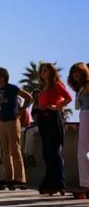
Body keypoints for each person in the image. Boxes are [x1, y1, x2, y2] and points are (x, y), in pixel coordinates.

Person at [0, 67, 32, 190]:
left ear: (5, 77)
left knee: (15, 149)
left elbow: (28, 97)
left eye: (0, 76)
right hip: (2, 122)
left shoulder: (13, 88)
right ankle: (9, 178)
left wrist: (21, 110)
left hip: (13, 121)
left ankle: (21, 178)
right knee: (5, 152)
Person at [36, 63, 72, 196]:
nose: (44, 72)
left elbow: (68, 98)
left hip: (53, 119)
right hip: (44, 120)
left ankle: (59, 184)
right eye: (42, 70)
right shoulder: (43, 88)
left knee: (54, 153)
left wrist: (57, 106)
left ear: (52, 72)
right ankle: (50, 184)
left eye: (47, 70)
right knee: (46, 154)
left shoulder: (56, 85)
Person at [67, 62, 89, 198]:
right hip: (84, 116)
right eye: (73, 72)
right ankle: (86, 183)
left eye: (78, 71)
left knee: (83, 151)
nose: (75, 74)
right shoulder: (80, 87)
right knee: (83, 152)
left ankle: (86, 184)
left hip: (88, 114)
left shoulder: (87, 85)